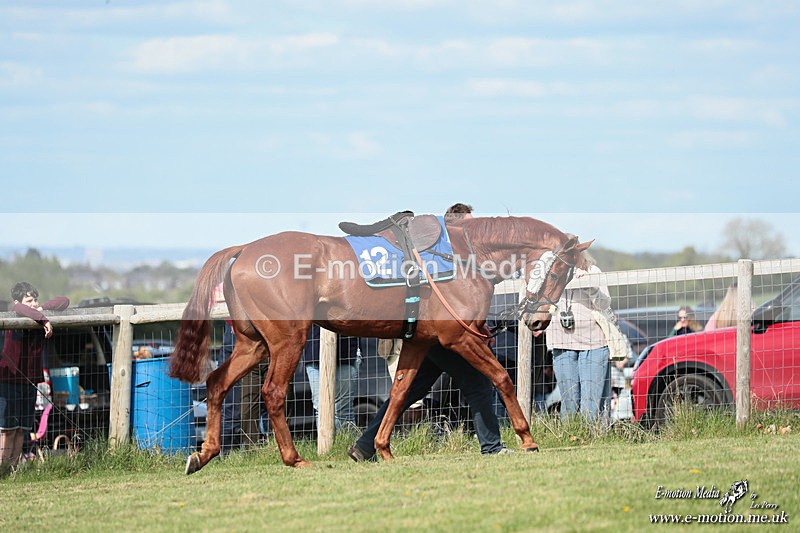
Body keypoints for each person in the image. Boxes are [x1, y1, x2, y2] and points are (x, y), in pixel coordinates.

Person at [348, 202, 511, 461]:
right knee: (479, 385)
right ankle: (492, 446)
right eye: (468, 223)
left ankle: (366, 445)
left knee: (410, 391)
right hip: (439, 336)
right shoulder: (441, 253)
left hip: (430, 337)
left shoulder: (448, 254)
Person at [1, 282, 69, 471]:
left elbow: (63, 301)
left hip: (30, 382)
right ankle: (2, 469)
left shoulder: (37, 315)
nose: (32, 303)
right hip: (9, 381)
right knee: (8, 430)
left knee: (22, 429)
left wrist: (41, 310)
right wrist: (44, 319)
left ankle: (12, 470)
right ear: (19, 301)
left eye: (35, 299)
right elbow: (18, 307)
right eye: (28, 300)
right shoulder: (15, 312)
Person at [544, 254, 612, 422]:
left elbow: (604, 303)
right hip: (561, 342)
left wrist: (589, 285)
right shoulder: (550, 274)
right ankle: (571, 436)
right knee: (569, 398)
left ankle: (594, 437)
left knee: (592, 399)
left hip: (593, 342)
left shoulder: (593, 271)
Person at [304, 323, 362, 430]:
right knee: (321, 408)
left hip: (347, 350)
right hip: (314, 350)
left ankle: (346, 445)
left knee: (342, 409)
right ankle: (326, 446)